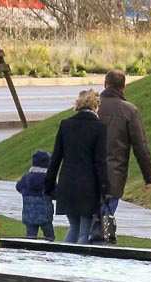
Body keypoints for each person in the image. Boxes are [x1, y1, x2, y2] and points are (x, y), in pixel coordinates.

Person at [45, 89, 110, 245]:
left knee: (74, 226)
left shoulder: (66, 125)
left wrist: (49, 185)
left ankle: (65, 260)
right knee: (85, 230)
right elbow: (100, 162)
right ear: (96, 106)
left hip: (67, 183)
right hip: (88, 186)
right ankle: (79, 265)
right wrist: (106, 188)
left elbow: (56, 157)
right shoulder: (99, 127)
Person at [97, 68, 151, 227]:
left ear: (105, 84)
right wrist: (148, 177)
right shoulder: (129, 110)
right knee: (105, 224)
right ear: (124, 87)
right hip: (113, 175)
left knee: (83, 225)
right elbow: (140, 146)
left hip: (87, 174)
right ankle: (101, 247)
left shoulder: (93, 107)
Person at [15, 148, 55, 240]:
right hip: (45, 214)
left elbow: (18, 187)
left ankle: (30, 250)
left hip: (29, 214)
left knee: (31, 236)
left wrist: (25, 192)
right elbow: (55, 192)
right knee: (49, 235)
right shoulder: (48, 178)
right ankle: (50, 249)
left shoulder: (27, 176)